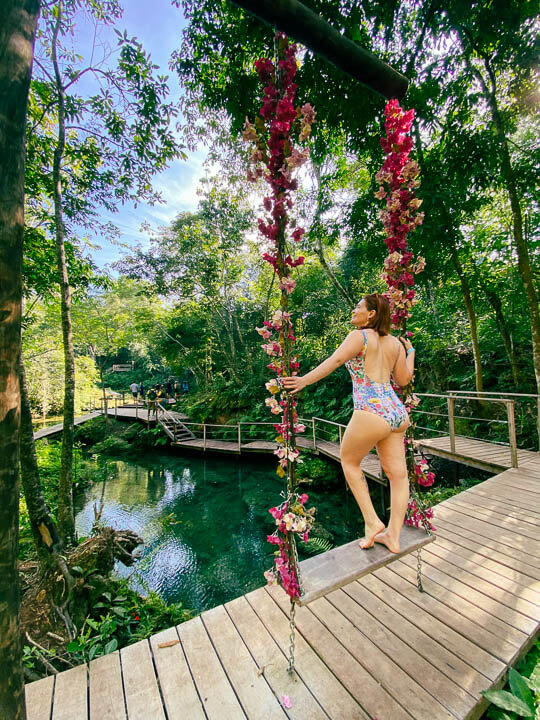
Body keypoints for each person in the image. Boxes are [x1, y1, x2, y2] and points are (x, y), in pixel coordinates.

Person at [281, 293, 415, 554]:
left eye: (358, 307)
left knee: (349, 461)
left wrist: (304, 380)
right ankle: (394, 537)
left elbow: (336, 361)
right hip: (396, 413)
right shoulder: (396, 345)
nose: (354, 311)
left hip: (370, 409)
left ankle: (372, 522)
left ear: (372, 314)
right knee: (398, 476)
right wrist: (410, 351)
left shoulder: (360, 336)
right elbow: (404, 379)